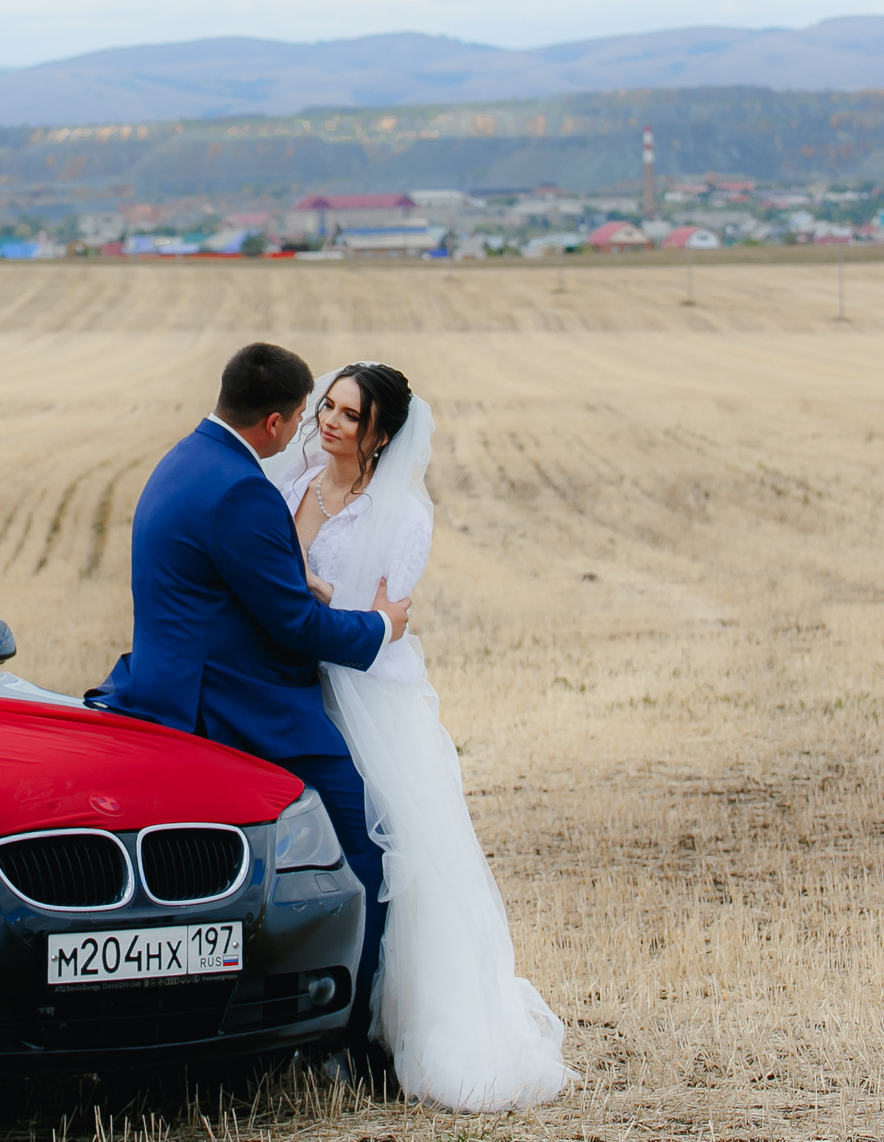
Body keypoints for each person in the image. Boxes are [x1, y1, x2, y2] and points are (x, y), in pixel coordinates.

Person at [89, 342, 411, 1055]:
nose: (308, 427)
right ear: (273, 421)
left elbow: (224, 583)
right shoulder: (243, 490)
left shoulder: (185, 460)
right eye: (303, 415)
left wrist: (299, 582)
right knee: (367, 848)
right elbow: (294, 628)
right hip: (237, 704)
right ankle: (347, 1040)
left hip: (172, 686)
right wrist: (381, 626)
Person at [266, 361, 569, 1112]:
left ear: (380, 436)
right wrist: (313, 596)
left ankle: (382, 1026)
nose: (330, 421)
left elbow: (387, 622)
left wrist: (313, 600)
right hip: (297, 684)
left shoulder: (401, 515)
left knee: (396, 853)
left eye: (350, 415)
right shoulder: (292, 483)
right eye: (328, 406)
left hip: (370, 695)